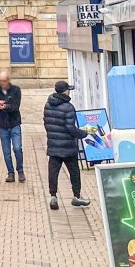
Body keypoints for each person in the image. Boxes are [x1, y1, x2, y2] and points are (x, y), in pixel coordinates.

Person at [43, 80, 94, 210]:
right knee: (74, 172)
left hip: (53, 145)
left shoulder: (48, 104)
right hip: (68, 146)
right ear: (65, 91)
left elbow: (46, 123)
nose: (69, 91)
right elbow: (71, 128)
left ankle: (53, 196)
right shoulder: (68, 107)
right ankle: (76, 197)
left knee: (53, 172)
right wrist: (84, 133)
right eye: (68, 89)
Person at [0, 70, 25, 182]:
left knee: (17, 148)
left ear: (8, 80)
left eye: (4, 81)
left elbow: (16, 106)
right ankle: (10, 173)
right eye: (0, 81)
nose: (2, 83)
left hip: (14, 123)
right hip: (2, 124)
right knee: (6, 151)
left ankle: (20, 170)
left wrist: (5, 106)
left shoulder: (16, 90)